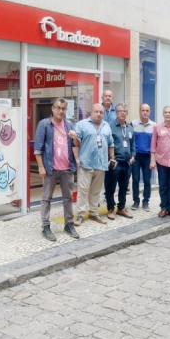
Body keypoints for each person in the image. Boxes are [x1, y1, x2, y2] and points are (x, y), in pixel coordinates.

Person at [33, 98, 79, 241]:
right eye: (58, 108)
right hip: (50, 169)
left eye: (63, 108)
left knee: (68, 198)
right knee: (47, 198)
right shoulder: (45, 124)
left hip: (67, 168)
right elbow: (38, 149)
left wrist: (76, 137)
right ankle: (45, 226)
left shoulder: (70, 125)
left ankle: (69, 224)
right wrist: (41, 166)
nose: (60, 111)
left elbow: (77, 145)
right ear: (52, 109)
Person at [69, 103, 115, 226]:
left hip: (101, 164)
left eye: (101, 112)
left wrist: (112, 158)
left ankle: (94, 213)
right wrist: (77, 157)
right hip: (86, 163)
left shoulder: (106, 126)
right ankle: (80, 214)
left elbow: (111, 143)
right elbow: (76, 143)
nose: (99, 114)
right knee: (83, 190)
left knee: (96, 191)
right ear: (91, 112)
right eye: (96, 111)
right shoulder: (82, 124)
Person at [105, 103, 135, 220]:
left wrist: (133, 156)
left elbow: (133, 145)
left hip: (127, 163)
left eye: (124, 111)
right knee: (110, 187)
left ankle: (121, 207)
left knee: (124, 187)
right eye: (120, 111)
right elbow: (107, 144)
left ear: (127, 113)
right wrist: (110, 159)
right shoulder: (110, 127)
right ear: (116, 113)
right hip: (115, 163)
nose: (122, 113)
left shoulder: (130, 128)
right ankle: (110, 208)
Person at [131, 103, 155, 212]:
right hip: (136, 156)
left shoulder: (154, 126)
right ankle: (136, 201)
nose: (145, 112)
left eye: (147, 110)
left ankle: (146, 201)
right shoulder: (133, 124)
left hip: (148, 157)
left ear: (149, 112)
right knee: (135, 179)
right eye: (143, 110)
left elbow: (155, 144)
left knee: (147, 180)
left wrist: (154, 159)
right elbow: (130, 141)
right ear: (139, 111)